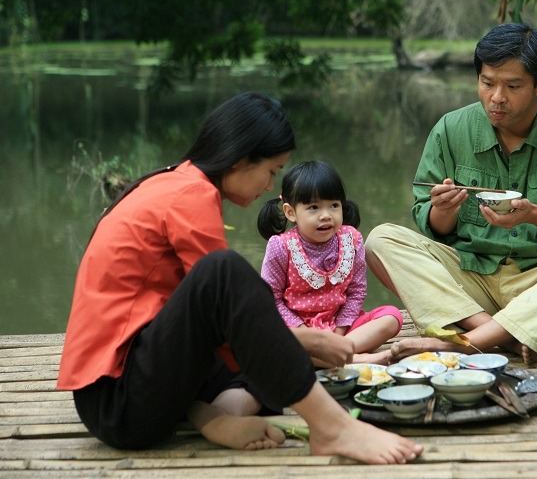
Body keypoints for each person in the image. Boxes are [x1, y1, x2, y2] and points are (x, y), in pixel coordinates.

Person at [56, 92, 423, 464]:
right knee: (225, 271)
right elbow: (227, 304)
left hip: (145, 381)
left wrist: (300, 342)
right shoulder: (189, 195)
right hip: (119, 402)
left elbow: (224, 327)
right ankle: (331, 427)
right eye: (271, 171)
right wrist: (306, 340)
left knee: (263, 361)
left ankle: (208, 415)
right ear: (242, 160)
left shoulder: (178, 182)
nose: (269, 185)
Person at [365, 22, 537, 365]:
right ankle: (496, 333)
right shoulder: (450, 129)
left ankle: (461, 343)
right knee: (381, 241)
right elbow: (433, 225)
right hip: (471, 282)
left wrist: (534, 214)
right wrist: (444, 209)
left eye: (513, 86)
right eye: (487, 83)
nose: (497, 97)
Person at [258, 161, 404, 366]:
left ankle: (334, 356)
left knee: (392, 316)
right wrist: (308, 336)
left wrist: (338, 335)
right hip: (300, 333)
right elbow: (270, 298)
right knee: (272, 341)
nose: (326, 215)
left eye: (334, 205)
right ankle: (357, 359)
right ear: (291, 212)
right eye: (314, 207)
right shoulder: (281, 246)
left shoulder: (351, 239)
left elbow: (356, 291)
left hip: (342, 329)